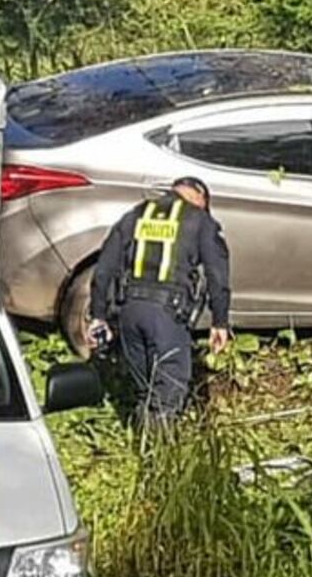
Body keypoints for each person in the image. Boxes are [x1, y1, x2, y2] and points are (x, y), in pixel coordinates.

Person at [88, 176, 232, 423]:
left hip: (129, 312)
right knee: (168, 393)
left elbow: (104, 269)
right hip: (167, 314)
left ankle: (143, 446)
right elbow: (216, 273)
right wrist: (220, 321)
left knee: (145, 390)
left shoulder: (135, 214)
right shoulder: (199, 220)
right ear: (200, 198)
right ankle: (158, 458)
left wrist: (98, 316)